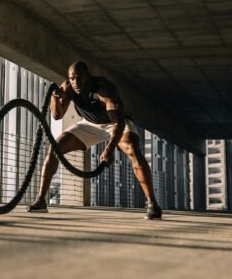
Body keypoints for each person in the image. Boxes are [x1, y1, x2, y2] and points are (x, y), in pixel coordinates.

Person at [26, 61, 162, 220]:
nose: (76, 82)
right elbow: (57, 115)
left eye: (79, 78)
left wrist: (109, 149)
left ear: (88, 77)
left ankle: (152, 204)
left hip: (115, 123)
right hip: (89, 124)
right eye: (72, 78)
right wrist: (55, 99)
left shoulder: (104, 89)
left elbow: (118, 123)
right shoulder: (69, 87)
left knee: (133, 150)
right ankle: (41, 200)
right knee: (55, 148)